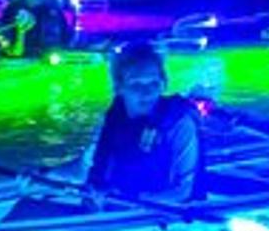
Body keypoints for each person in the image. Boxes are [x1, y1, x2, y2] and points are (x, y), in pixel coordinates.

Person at [76, 41, 202, 202]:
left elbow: (183, 191)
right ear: (119, 87)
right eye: (136, 85)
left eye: (154, 83)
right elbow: (92, 167)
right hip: (120, 204)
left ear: (163, 84)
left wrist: (130, 199)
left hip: (170, 214)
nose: (147, 93)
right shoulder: (113, 117)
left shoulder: (180, 124)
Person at [9, 0, 75, 56]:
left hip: (51, 59)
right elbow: (9, 47)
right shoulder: (12, 12)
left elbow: (66, 36)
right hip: (22, 62)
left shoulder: (53, 10)